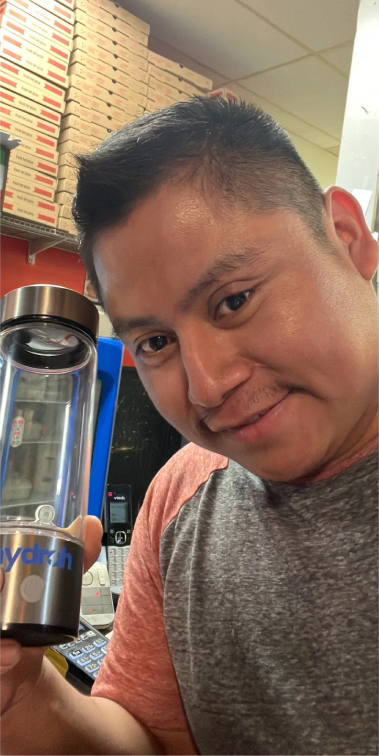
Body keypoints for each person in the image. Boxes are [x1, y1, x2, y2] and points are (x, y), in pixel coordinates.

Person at [0, 97, 379, 756]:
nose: (206, 385)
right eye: (153, 342)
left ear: (346, 240)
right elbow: (148, 740)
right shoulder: (180, 494)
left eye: (232, 300)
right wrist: (22, 689)